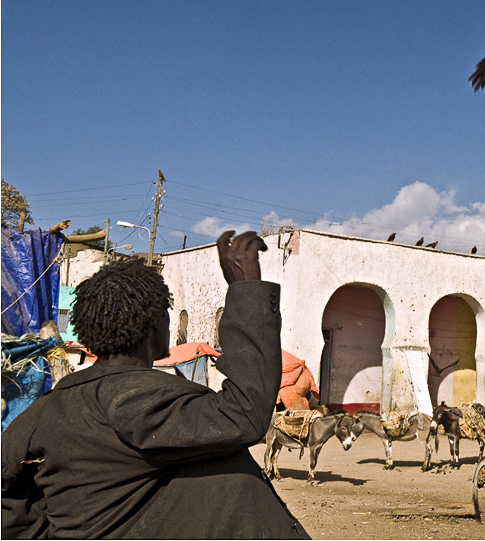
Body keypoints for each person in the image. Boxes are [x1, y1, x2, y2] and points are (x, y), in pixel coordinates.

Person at [2, 231, 309, 539]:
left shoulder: (43, 411)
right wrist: (247, 290)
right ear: (155, 324)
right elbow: (244, 414)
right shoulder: (133, 399)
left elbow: (11, 505)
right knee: (229, 461)